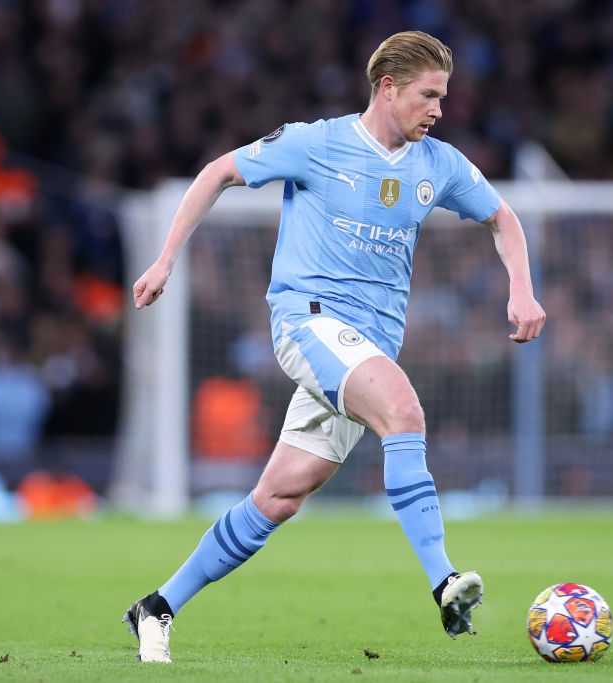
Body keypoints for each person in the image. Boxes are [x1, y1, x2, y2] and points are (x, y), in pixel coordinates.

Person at [124, 31, 546, 663]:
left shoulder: (440, 164)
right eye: (429, 96)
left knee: (281, 496)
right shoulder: (315, 143)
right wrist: (164, 260)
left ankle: (155, 607)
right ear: (388, 88)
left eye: (444, 98)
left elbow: (502, 218)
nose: (439, 110)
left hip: (368, 344)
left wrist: (522, 290)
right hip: (308, 320)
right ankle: (444, 581)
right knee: (403, 412)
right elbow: (219, 173)